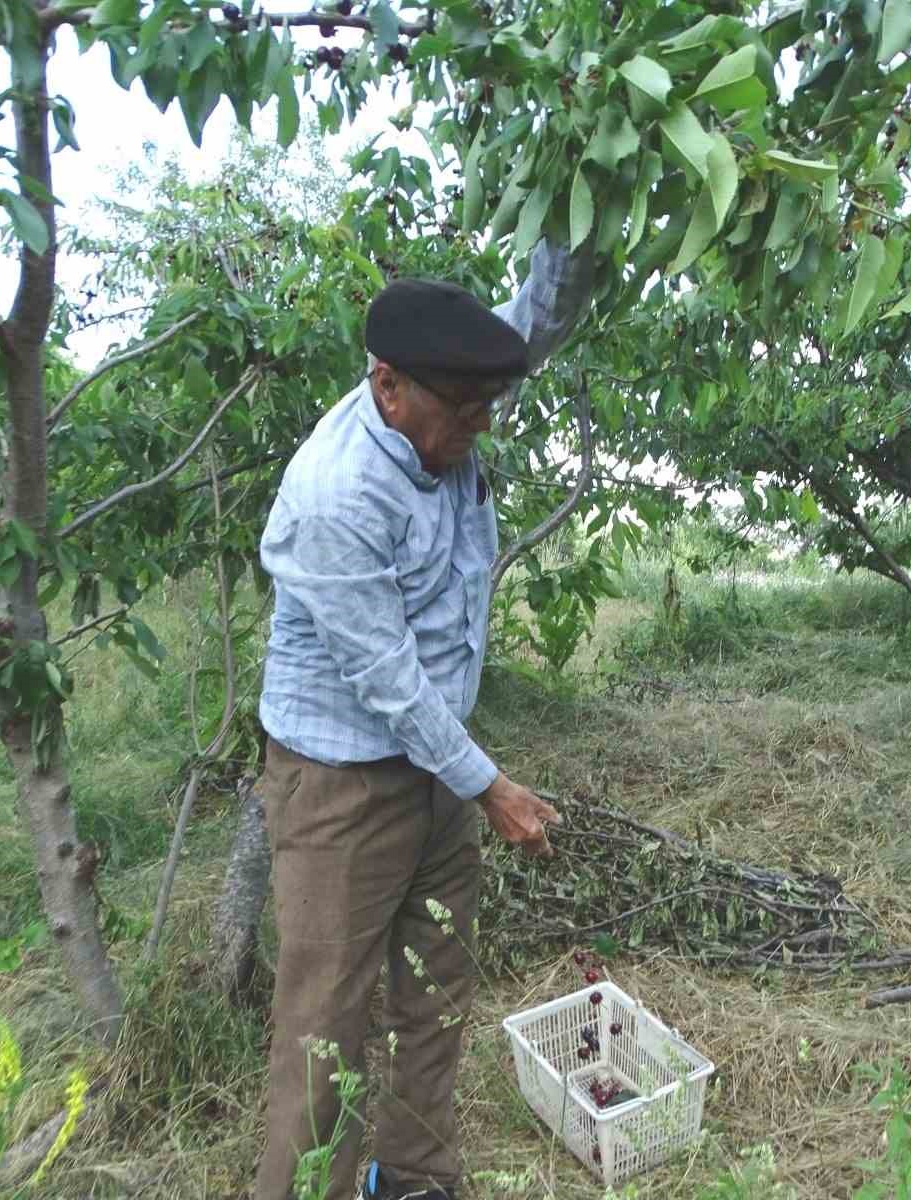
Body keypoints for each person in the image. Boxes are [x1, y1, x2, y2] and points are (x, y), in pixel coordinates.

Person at [251, 240, 595, 1200]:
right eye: (462, 414)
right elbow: (389, 683)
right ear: (388, 387)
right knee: (325, 1026)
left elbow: (536, 321)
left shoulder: (452, 399)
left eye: (487, 408)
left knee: (434, 991)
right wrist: (491, 787)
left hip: (437, 771)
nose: (478, 430)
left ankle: (411, 1180)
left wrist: (589, 204)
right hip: (342, 789)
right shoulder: (338, 494)